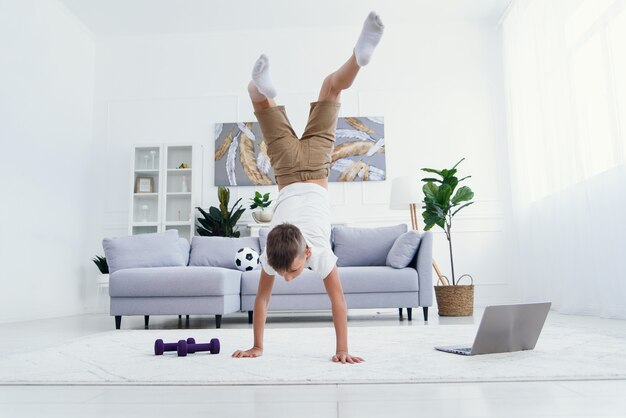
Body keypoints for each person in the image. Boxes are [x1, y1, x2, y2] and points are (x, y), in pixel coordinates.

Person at [231, 11, 384, 364]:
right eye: (291, 272)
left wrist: (258, 346)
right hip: (286, 168)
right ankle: (262, 87)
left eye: (293, 272)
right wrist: (340, 351)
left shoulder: (308, 255)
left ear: (307, 254)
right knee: (256, 101)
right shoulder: (279, 256)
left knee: (331, 88)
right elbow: (332, 301)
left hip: (315, 165)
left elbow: (329, 301)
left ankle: (357, 59)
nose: (288, 278)